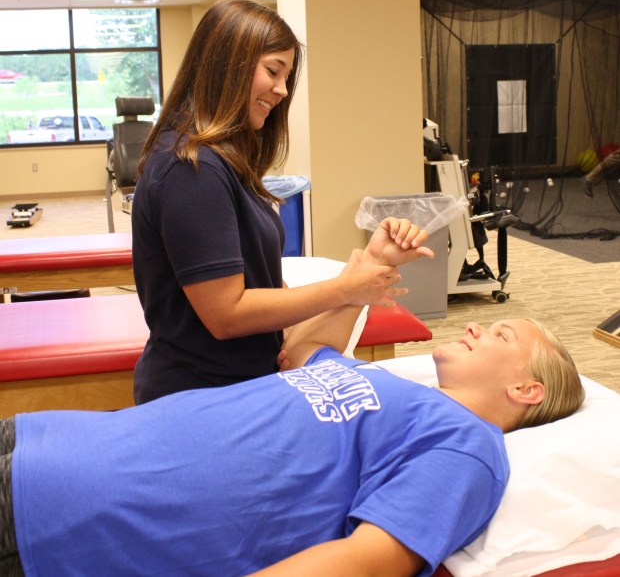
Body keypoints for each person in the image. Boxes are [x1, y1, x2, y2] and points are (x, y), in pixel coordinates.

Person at [0, 222, 585, 577]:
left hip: (64, 520)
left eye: (501, 334)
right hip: (49, 437)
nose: (480, 328)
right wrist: (370, 274)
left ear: (525, 390)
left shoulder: (468, 449)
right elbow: (303, 355)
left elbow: (367, 562)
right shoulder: (396, 392)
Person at [131, 0, 410, 404]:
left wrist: (369, 265)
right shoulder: (192, 168)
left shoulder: (224, 160)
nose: (281, 91)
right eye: (272, 71)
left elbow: (264, 292)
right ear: (229, 64)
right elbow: (226, 315)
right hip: (200, 401)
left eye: (286, 77)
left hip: (243, 387)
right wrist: (344, 289)